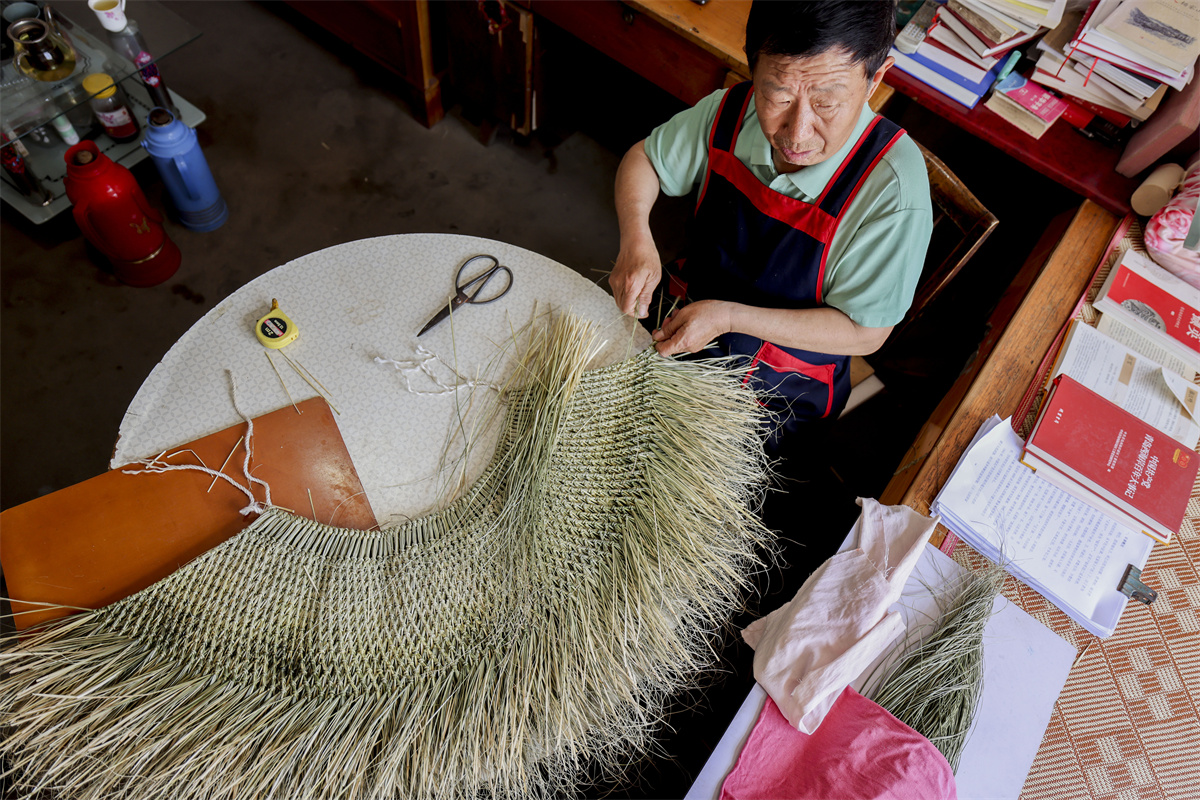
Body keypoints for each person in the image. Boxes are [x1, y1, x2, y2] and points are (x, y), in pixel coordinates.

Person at [610, 0, 933, 456]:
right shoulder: (730, 112)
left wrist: (729, 317)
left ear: (875, 79)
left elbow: (866, 331)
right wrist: (636, 238)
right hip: (676, 329)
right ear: (753, 69)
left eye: (826, 102)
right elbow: (644, 159)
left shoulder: (893, 191)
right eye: (778, 97)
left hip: (778, 397)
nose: (796, 133)